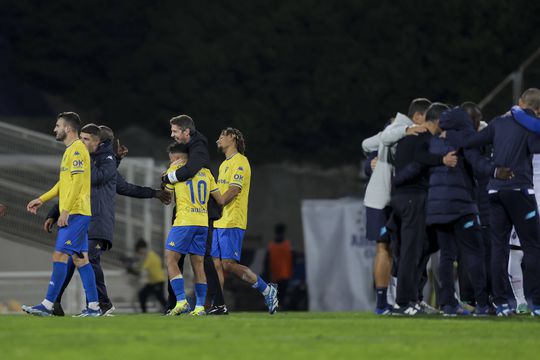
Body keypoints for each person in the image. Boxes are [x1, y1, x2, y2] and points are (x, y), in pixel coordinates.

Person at [44, 125, 171, 316]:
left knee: (89, 259)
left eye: (87, 139)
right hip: (83, 220)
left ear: (99, 142)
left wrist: (108, 161)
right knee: (72, 260)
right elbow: (122, 187)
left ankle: (102, 304)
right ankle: (55, 302)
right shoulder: (101, 160)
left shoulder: (102, 160)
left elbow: (91, 179)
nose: (82, 141)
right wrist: (54, 213)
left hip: (98, 221)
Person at [425, 107, 511, 316]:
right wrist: (496, 171)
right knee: (475, 253)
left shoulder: (433, 143)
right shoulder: (464, 142)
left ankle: (447, 305)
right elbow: (478, 163)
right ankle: (482, 303)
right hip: (461, 206)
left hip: (437, 209)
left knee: (446, 256)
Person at [463, 88, 540, 317]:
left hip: (494, 191)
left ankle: (501, 303)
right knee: (532, 247)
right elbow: (535, 149)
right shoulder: (531, 126)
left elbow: (470, 144)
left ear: (519, 101)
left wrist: (489, 169)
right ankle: (535, 303)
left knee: (499, 247)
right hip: (520, 191)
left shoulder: (498, 122)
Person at [22, 112, 100, 317]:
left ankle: (48, 304)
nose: (54, 129)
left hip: (75, 213)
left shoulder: (76, 151)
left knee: (60, 255)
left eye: (57, 126)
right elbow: (63, 183)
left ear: (68, 128)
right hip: (76, 212)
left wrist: (64, 212)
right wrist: (42, 198)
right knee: (80, 260)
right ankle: (94, 307)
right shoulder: (70, 151)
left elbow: (77, 184)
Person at [362, 98, 432, 315]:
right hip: (382, 199)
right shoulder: (400, 127)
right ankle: (383, 303)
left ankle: (401, 300)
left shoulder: (410, 132)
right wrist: (370, 164)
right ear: (419, 117)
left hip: (399, 198)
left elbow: (368, 144)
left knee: (403, 250)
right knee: (384, 248)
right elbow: (376, 141)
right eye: (427, 118)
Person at [390, 103, 458, 316]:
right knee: (411, 252)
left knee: (415, 250)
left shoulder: (407, 137)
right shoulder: (423, 138)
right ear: (437, 121)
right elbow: (420, 159)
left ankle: (412, 299)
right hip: (413, 199)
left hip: (401, 200)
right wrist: (442, 160)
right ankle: (403, 303)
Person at [161, 115, 226, 314]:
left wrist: (166, 178)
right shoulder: (206, 172)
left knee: (171, 259)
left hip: (184, 221)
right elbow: (220, 199)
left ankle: (180, 301)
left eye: (174, 131)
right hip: (202, 221)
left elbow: (167, 195)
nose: (172, 134)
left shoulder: (177, 169)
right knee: (198, 264)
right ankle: (199, 307)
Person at [212, 127, 278, 314]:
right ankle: (219, 304)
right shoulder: (224, 164)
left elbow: (234, 189)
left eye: (221, 136)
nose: (218, 141)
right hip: (219, 221)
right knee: (216, 264)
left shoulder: (240, 161)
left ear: (232, 138)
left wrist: (219, 203)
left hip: (233, 219)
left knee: (228, 264)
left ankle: (266, 289)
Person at [135, 239, 167, 313]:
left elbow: (143, 268)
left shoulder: (150, 256)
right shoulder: (148, 255)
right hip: (152, 282)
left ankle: (169, 310)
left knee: (160, 298)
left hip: (158, 281)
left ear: (142, 248)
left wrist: (134, 269)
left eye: (139, 250)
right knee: (142, 294)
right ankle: (144, 313)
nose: (139, 253)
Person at [266, 223, 294, 308]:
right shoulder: (288, 245)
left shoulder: (271, 246)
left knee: (279, 295)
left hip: (279, 275)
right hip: (283, 274)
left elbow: (266, 262)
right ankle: (280, 307)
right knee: (282, 295)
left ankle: (279, 307)